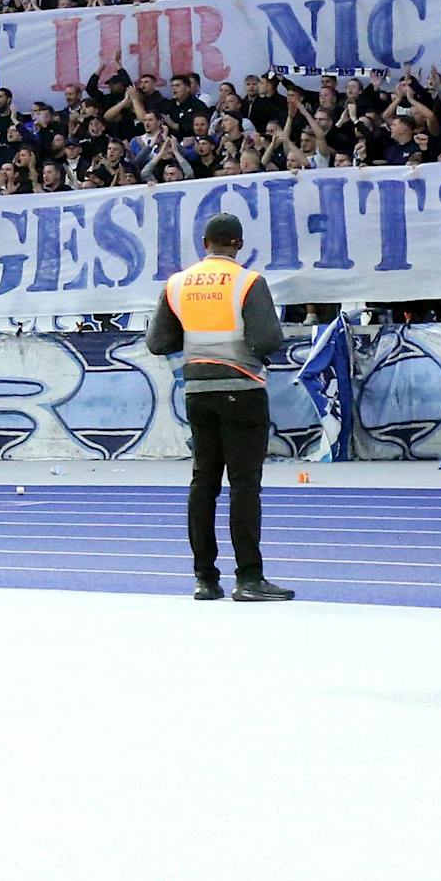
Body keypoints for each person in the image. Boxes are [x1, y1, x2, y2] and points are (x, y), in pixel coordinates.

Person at [145, 213, 294, 602]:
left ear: (204, 244)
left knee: (203, 482)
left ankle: (205, 579)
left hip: (198, 391)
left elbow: (158, 343)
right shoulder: (248, 281)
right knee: (244, 485)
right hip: (242, 390)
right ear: (238, 244)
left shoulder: (178, 283)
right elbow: (268, 339)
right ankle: (249, 578)